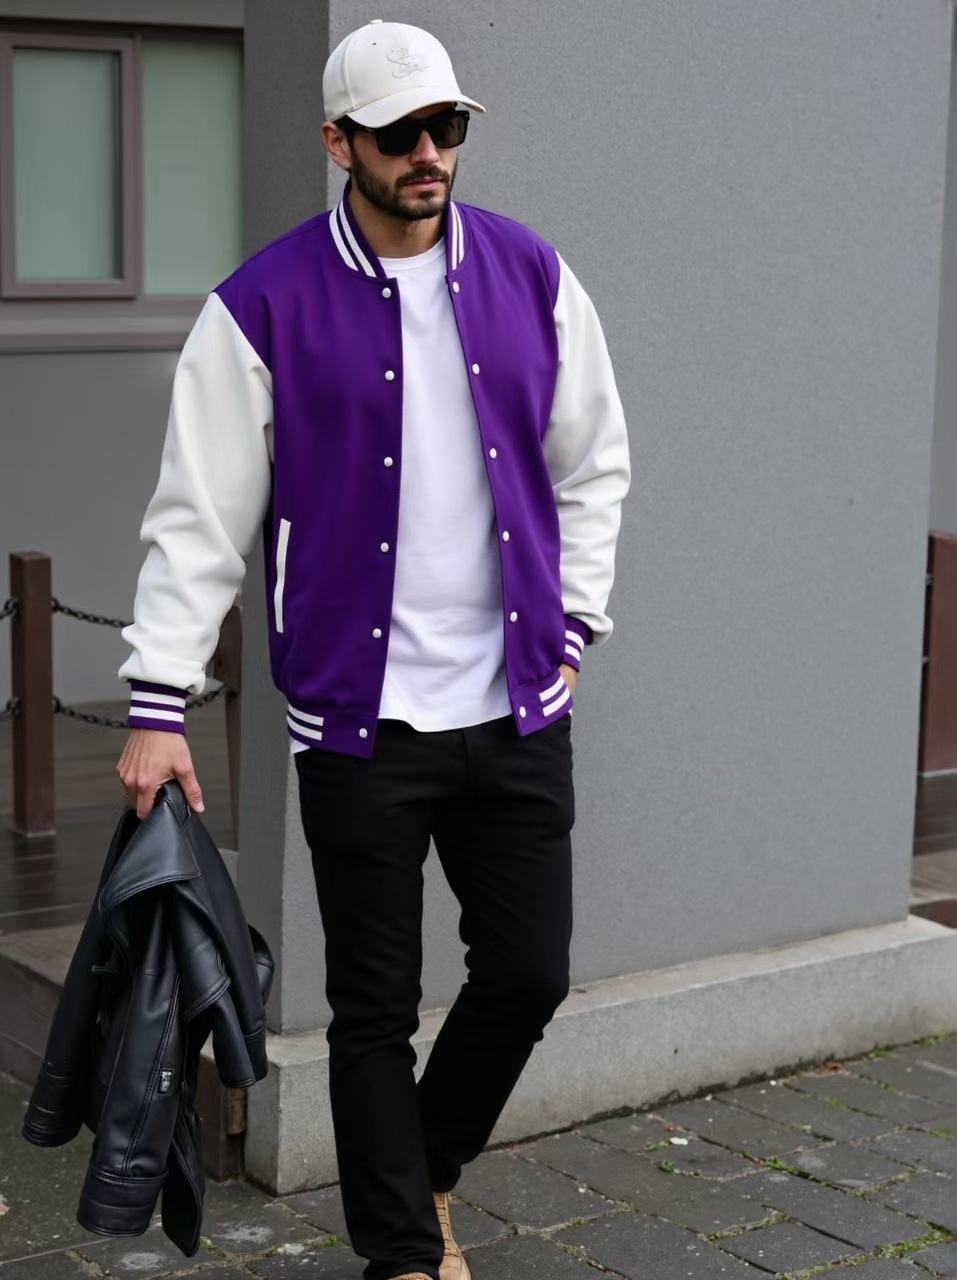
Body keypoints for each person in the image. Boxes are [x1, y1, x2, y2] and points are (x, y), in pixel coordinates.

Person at [116, 18, 630, 1280]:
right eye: (399, 133)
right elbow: (198, 517)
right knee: (372, 1009)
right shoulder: (262, 306)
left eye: (446, 127)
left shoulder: (533, 276)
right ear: (338, 141)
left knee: (529, 971)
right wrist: (158, 700)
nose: (428, 153)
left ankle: (421, 1169)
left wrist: (574, 622)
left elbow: (594, 465)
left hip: (515, 702)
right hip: (360, 719)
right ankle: (402, 1250)